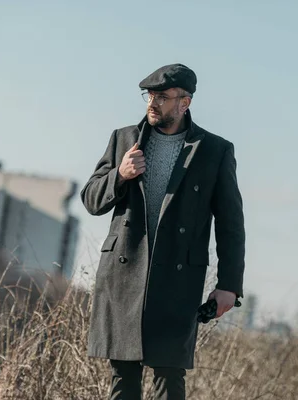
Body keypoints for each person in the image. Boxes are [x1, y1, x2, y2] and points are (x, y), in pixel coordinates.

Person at [80, 63, 246, 400]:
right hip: (125, 278)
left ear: (184, 103)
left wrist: (229, 286)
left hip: (176, 279)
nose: (152, 103)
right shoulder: (124, 138)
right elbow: (91, 200)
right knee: (122, 381)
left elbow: (231, 223)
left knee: (169, 383)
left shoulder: (214, 150)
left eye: (161, 97)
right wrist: (121, 175)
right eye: (149, 95)